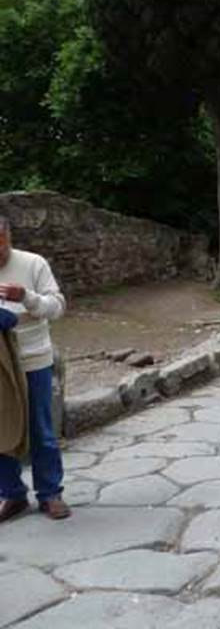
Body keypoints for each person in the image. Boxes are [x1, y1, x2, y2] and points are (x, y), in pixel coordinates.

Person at [0, 216, 70, 523]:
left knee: (41, 429)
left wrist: (26, 298)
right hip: (0, 365)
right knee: (0, 430)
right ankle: (12, 494)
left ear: (8, 237)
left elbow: (57, 307)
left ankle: (50, 493)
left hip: (33, 358)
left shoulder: (33, 264)